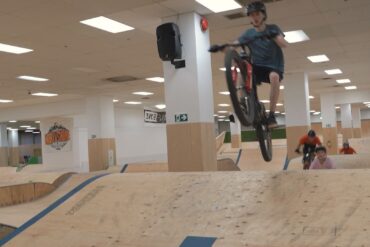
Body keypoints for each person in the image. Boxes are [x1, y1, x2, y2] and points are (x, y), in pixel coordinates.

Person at [237, 1, 287, 128]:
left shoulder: (273, 28)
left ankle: (271, 115)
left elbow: (283, 43)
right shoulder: (248, 33)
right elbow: (235, 43)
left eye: (257, 14)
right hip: (257, 66)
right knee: (242, 69)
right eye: (252, 15)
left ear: (263, 15)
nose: (255, 17)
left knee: (274, 77)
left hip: (274, 66)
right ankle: (243, 102)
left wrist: (275, 37)